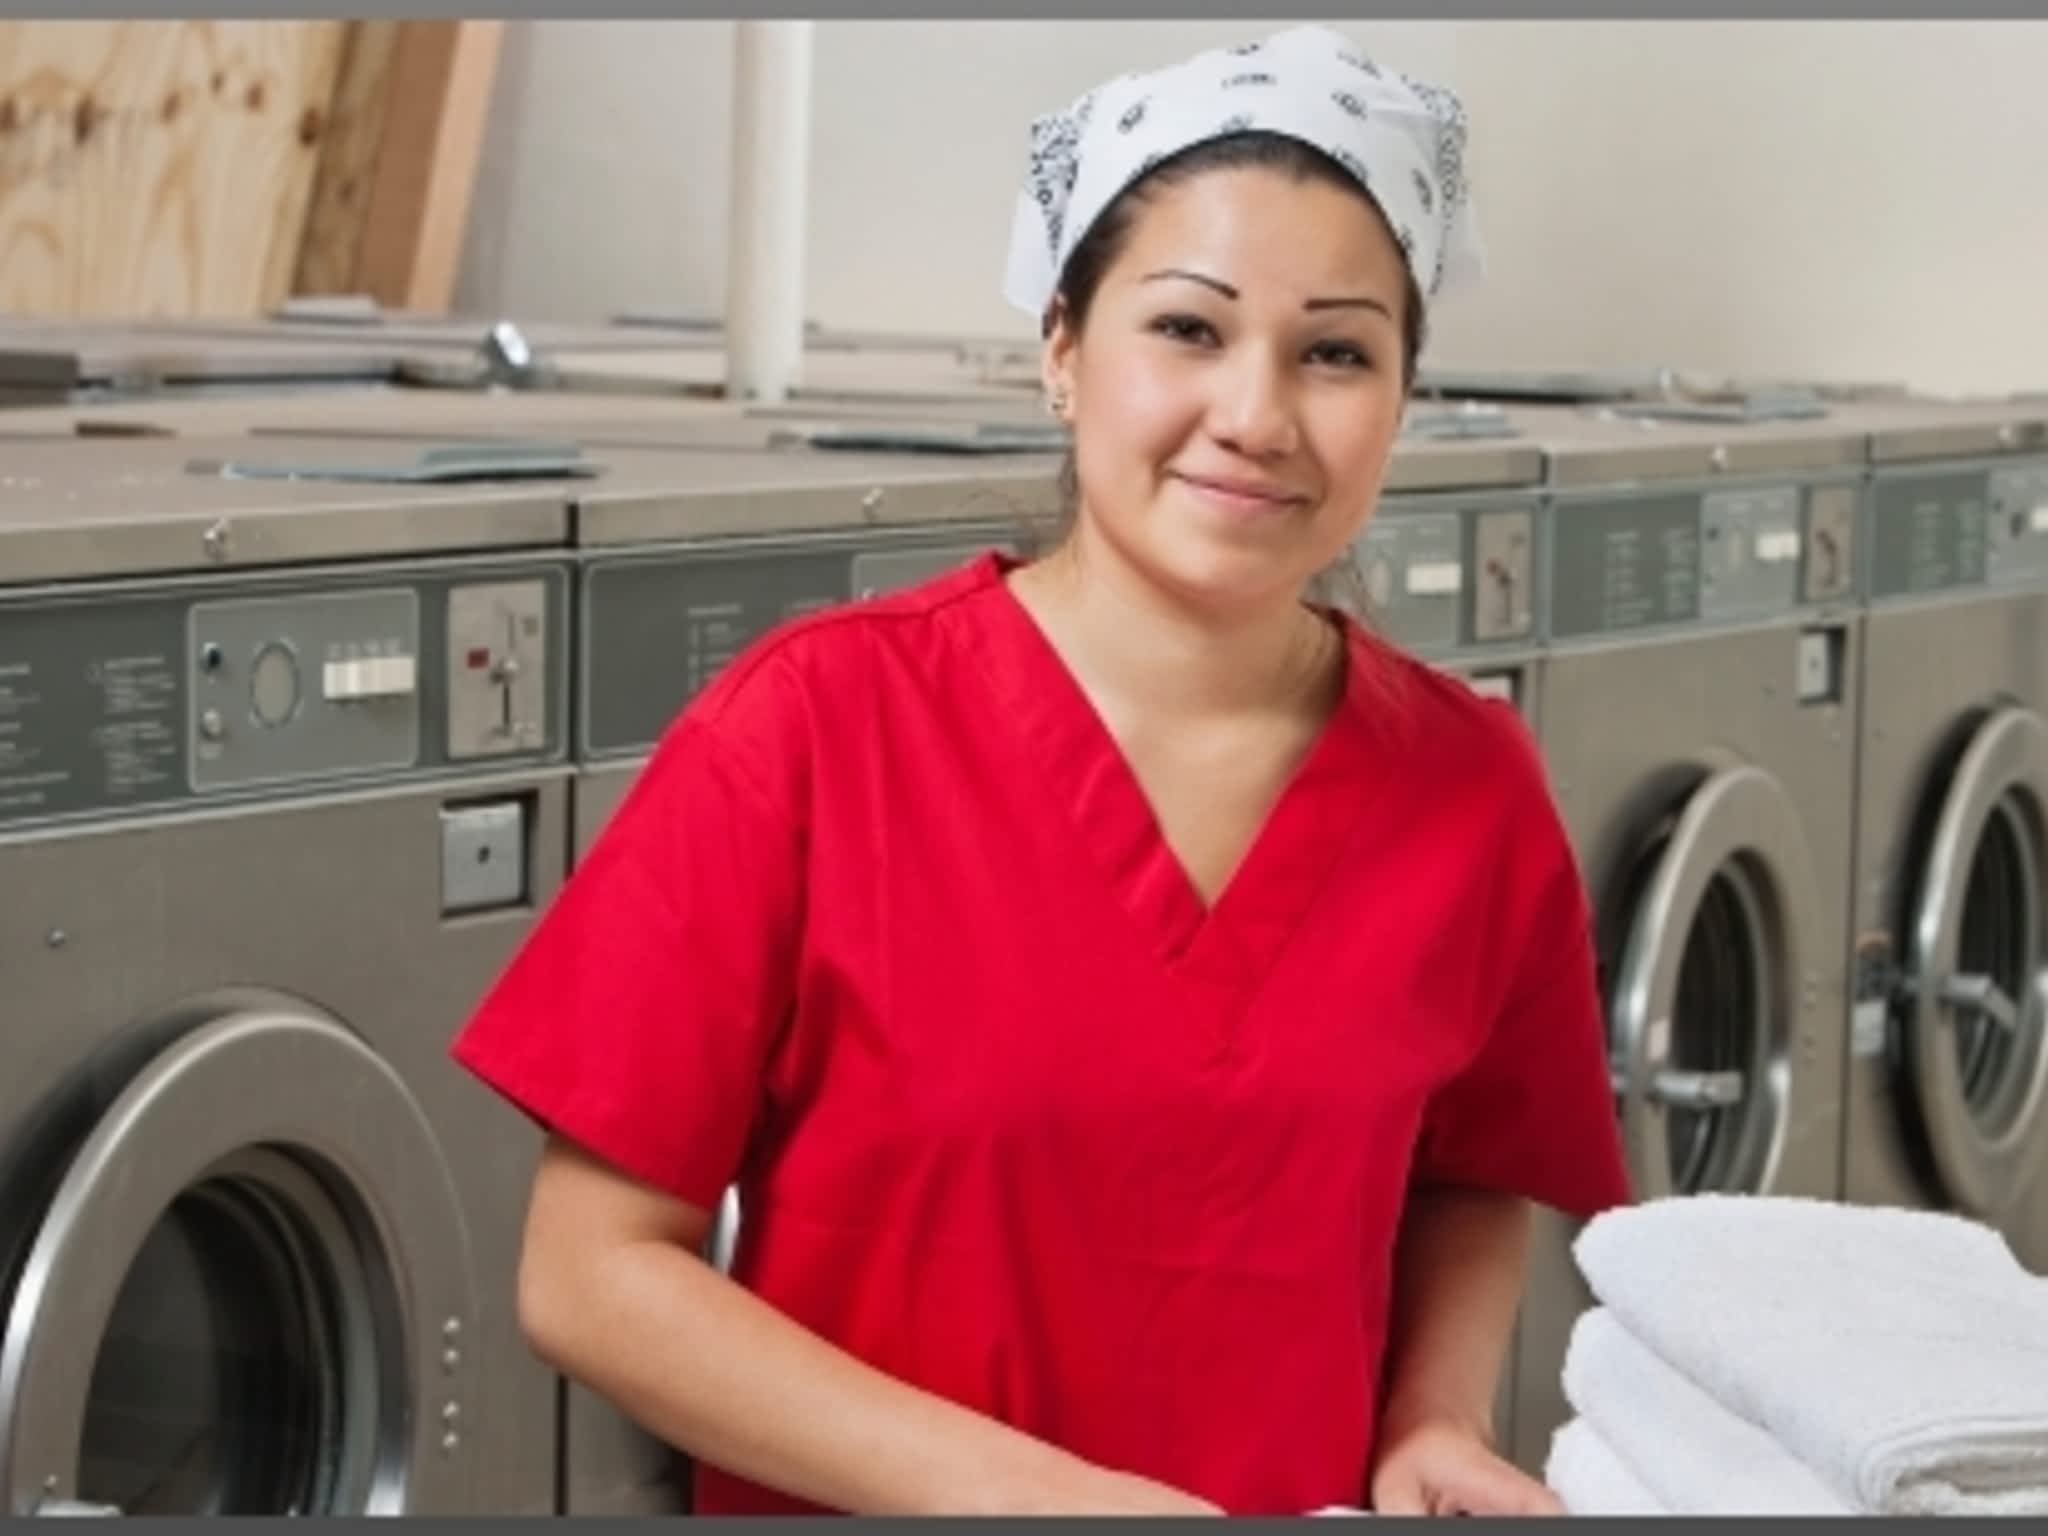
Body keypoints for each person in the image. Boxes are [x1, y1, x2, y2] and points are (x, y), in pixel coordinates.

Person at [452, 23, 1631, 1518]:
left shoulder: (1471, 787)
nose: (1258, 417)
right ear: (1064, 352)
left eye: (1336, 351)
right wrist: (1025, 1497)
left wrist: (1433, 1420)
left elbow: (1472, 1171)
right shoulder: (816, 730)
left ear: (1403, 397)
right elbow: (591, 1273)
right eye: (1188, 330)